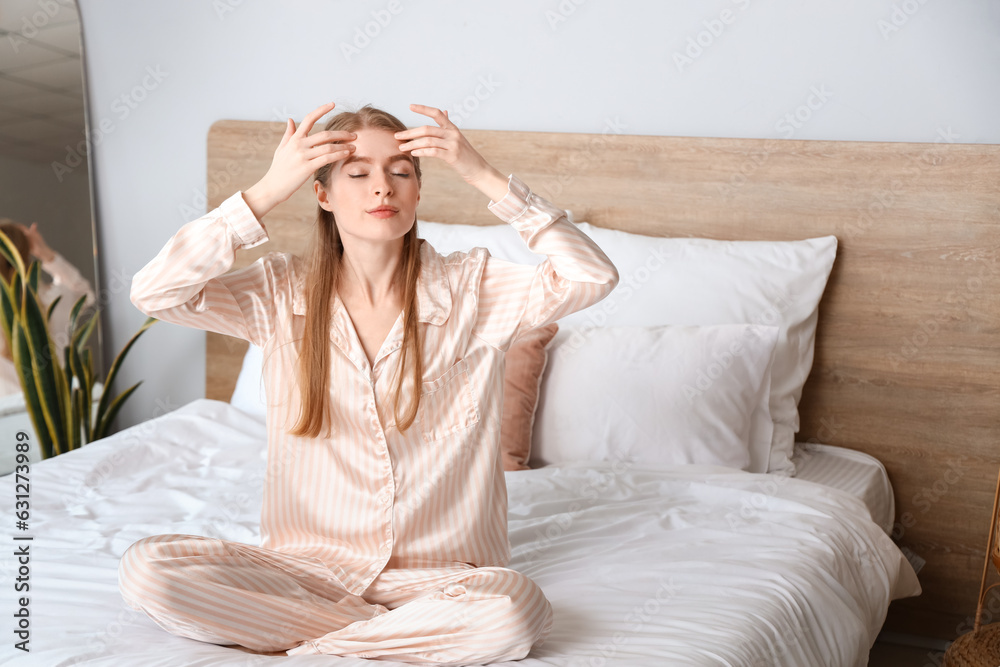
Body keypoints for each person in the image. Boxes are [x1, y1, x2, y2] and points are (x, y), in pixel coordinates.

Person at [119, 102, 619, 663]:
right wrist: (263, 193)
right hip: (307, 570)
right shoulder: (281, 291)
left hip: (440, 579)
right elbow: (155, 292)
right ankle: (380, 636)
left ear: (417, 190)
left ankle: (313, 642)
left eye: (400, 172)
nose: (381, 187)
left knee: (512, 609)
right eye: (357, 174)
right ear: (322, 194)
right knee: (148, 569)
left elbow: (592, 275)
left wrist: (481, 173)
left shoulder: (472, 288)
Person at [0, 220, 96, 397]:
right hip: (61, 413)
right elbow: (85, 294)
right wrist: (45, 253)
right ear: (25, 255)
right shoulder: (53, 298)